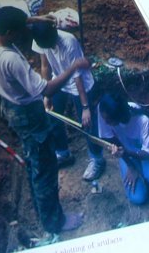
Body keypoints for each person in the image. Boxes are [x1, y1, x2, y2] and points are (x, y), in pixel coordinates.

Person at [0, 6, 88, 240]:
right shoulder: (11, 60)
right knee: (45, 170)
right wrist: (74, 67)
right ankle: (55, 221)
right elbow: (47, 88)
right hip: (28, 115)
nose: (25, 33)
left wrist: (38, 18)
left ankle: (41, 200)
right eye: (21, 30)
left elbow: (8, 22)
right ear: (10, 32)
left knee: (34, 161)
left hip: (11, 109)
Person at [30, 19, 105, 181]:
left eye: (49, 43)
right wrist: (47, 95)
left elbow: (77, 76)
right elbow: (45, 66)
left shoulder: (68, 41)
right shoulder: (40, 39)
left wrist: (85, 107)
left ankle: (97, 159)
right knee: (53, 116)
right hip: (61, 80)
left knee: (87, 123)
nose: (47, 47)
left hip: (82, 85)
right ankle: (63, 153)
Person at [97, 90, 149, 205]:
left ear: (119, 117)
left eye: (109, 120)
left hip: (146, 152)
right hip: (127, 151)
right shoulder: (103, 110)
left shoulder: (143, 120)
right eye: (104, 119)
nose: (105, 122)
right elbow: (111, 139)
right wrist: (130, 166)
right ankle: (140, 169)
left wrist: (127, 152)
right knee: (138, 198)